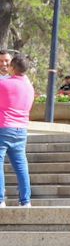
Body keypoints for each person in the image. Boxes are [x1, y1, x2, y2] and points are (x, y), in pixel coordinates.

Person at [0, 49, 34, 208]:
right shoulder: (29, 87)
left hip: (4, 127)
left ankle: (0, 199)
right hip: (21, 130)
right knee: (21, 165)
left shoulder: (4, 84)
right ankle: (25, 201)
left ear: (13, 67)